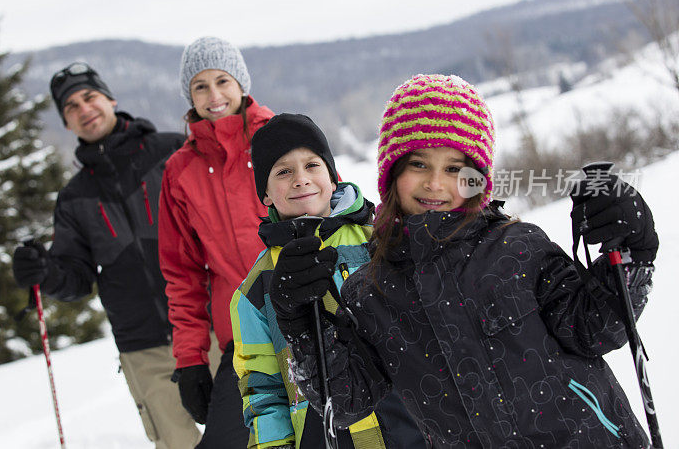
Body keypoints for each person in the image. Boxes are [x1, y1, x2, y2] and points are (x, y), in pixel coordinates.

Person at [269, 74, 658, 448]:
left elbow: (595, 328)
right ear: (392, 173)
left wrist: (632, 253)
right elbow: (347, 401)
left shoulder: (518, 247)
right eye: (418, 164)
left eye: (454, 168)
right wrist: (301, 322)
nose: (435, 183)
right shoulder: (371, 291)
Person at [11, 63, 200, 448]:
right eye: (71, 107)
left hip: (209, 327)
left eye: (89, 97)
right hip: (144, 348)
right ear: (66, 123)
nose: (84, 109)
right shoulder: (74, 198)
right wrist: (44, 271)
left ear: (110, 99)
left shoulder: (171, 152)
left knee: (251, 436)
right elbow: (76, 277)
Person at [230, 113, 425, 448]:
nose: (300, 179)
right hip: (329, 437)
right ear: (265, 193)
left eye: (312, 165)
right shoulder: (254, 292)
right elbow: (262, 389)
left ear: (334, 177)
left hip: (416, 424)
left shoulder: (381, 240)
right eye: (283, 171)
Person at [159, 37, 274, 448]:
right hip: (242, 339)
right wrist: (191, 360)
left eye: (222, 81)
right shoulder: (180, 170)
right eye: (200, 86)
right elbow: (182, 274)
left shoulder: (278, 138)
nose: (214, 96)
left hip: (308, 319)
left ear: (241, 82)